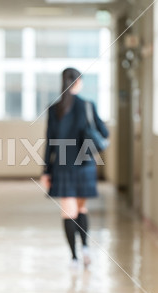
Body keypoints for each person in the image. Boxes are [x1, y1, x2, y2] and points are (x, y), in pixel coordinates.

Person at [41, 67, 108, 268]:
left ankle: (74, 257)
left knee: (68, 212)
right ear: (78, 82)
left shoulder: (54, 109)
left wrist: (46, 171)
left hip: (62, 167)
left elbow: (50, 142)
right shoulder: (87, 105)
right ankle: (85, 247)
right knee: (81, 208)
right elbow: (104, 132)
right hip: (85, 165)